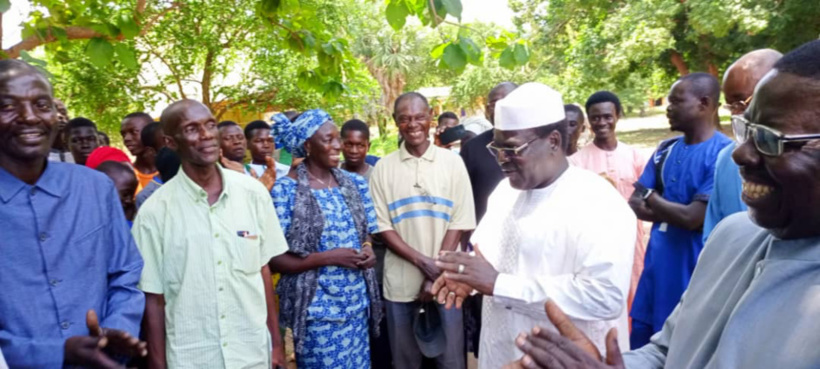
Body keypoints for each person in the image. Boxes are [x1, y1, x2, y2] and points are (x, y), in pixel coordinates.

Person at [502, 39, 820, 369]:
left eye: (770, 139)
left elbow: (684, 213)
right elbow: (668, 353)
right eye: (747, 129)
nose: (740, 153)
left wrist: (655, 200)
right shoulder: (731, 238)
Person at [431, 82, 636, 369]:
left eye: (513, 148)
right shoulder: (504, 193)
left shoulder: (598, 202)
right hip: (501, 353)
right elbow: (486, 257)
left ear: (553, 140)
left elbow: (605, 297)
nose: (502, 159)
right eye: (497, 147)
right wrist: (467, 279)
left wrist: (499, 284)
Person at [0, 59, 147, 368]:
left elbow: (125, 273)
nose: (29, 118)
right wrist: (55, 352)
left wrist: (116, 328)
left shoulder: (95, 188)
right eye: (7, 106)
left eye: (41, 105)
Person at [133, 99, 288, 369]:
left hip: (251, 354)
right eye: (192, 129)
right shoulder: (154, 214)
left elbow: (262, 271)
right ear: (170, 142)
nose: (205, 135)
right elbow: (154, 300)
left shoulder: (253, 194)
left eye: (210, 125)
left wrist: (275, 346)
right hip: (192, 358)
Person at [369, 92, 476, 369]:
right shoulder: (382, 168)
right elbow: (383, 228)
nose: (413, 124)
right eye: (404, 119)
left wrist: (437, 271)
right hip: (400, 286)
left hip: (447, 282)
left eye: (419, 117)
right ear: (395, 122)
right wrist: (424, 264)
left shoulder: (453, 163)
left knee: (451, 360)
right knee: (405, 362)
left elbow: (460, 221)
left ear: (430, 117)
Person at [269, 109, 382, 368]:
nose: (337, 146)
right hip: (317, 313)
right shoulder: (286, 190)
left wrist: (367, 248)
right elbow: (276, 259)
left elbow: (365, 231)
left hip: (356, 305)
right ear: (308, 145)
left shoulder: (354, 184)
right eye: (328, 139)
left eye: (336, 139)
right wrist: (330, 258)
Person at [627, 73, 733, 348]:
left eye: (676, 101)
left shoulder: (725, 155)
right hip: (655, 273)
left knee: (682, 347)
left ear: (704, 103)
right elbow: (634, 203)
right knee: (643, 345)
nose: (668, 107)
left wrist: (653, 197)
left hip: (692, 273)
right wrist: (671, 209)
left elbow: (692, 218)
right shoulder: (665, 150)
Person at [570, 91, 647, 317]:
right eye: (595, 118)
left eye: (607, 116)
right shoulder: (576, 162)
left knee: (635, 291)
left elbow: (645, 198)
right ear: (589, 122)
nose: (602, 123)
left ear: (618, 116)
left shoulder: (634, 156)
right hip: (594, 244)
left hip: (632, 241)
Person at [702, 49, 782, 242]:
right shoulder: (726, 158)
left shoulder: (801, 157)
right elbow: (713, 235)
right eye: (732, 106)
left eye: (742, 102)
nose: (736, 115)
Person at [460, 82, 517, 223]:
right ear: (487, 110)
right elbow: (461, 199)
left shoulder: (538, 144)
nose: (502, 108)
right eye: (496, 104)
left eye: (508, 102)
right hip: (482, 236)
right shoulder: (471, 148)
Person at [121, 112, 158, 193]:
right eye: (123, 134)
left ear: (152, 132)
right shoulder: (125, 175)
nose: (126, 138)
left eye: (134, 131)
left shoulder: (172, 169)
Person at [48, 98, 73, 162]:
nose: (60, 116)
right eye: (54, 112)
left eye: (63, 112)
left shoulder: (76, 151)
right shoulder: (36, 153)